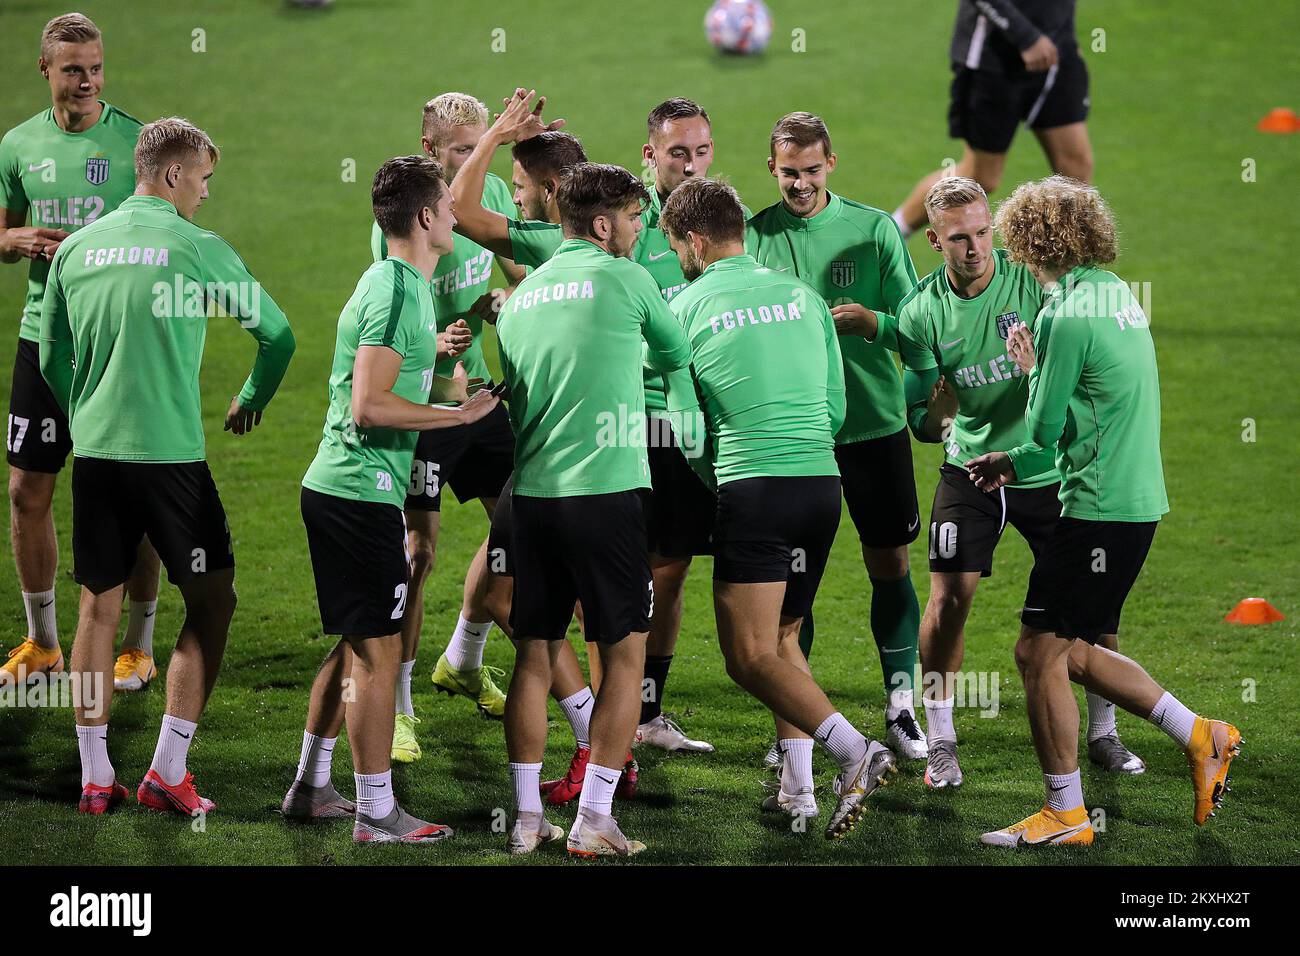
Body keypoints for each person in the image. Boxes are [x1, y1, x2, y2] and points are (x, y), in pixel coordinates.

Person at [967, 177, 1240, 846]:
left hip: (1097, 509)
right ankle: (1202, 735)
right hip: (1135, 502)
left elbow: (1041, 431)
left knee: (1037, 653)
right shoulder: (1115, 296)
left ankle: (1066, 813)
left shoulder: (1065, 315)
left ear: (1030, 240)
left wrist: (1027, 371)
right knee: (1073, 651)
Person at [40, 116, 296, 815]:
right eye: (204, 179)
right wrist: (250, 398)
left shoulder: (76, 250)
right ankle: (167, 769)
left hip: (95, 456)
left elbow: (47, 356)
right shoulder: (193, 245)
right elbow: (277, 335)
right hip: (172, 462)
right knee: (213, 600)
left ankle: (95, 776)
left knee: (96, 609)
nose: (206, 194)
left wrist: (83, 413)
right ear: (175, 174)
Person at [662, 177, 896, 837]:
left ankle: (856, 751)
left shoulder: (684, 308)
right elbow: (836, 407)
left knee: (748, 657)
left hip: (753, 488)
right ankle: (797, 791)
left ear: (695, 240)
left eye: (677, 243)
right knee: (786, 638)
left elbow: (686, 431)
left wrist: (723, 482)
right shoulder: (804, 298)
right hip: (822, 486)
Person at [897, 176, 1145, 788]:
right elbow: (921, 424)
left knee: (1092, 603)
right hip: (972, 470)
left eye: (983, 232)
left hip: (1044, 469)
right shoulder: (920, 313)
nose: (976, 248)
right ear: (935, 240)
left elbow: (1070, 370)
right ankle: (942, 738)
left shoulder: (1031, 279)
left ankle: (1104, 733)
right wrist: (937, 410)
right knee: (949, 597)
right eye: (960, 238)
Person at [289, 155, 500, 843]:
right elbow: (370, 406)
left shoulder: (401, 286)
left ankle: (310, 786)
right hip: (355, 493)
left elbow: (397, 390)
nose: (456, 215)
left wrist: (451, 383)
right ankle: (376, 809)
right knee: (377, 655)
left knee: (356, 647)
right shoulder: (397, 292)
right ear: (424, 218)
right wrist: (457, 419)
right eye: (448, 205)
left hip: (348, 491)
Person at [495, 162, 691, 857]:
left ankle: (523, 820)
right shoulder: (627, 278)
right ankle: (595, 819)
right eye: (635, 217)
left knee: (535, 653)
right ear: (603, 225)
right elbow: (675, 349)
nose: (641, 228)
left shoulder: (521, 298)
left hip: (533, 500)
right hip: (605, 496)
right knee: (624, 656)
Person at [747, 112, 927, 764]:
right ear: (772, 168)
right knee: (794, 586)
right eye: (789, 172)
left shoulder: (874, 229)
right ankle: (798, 721)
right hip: (795, 435)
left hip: (874, 425)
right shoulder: (754, 237)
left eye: (812, 170)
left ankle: (902, 706)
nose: (800, 184)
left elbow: (919, 325)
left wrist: (873, 323)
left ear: (832, 163)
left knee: (891, 563)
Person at [0, 11, 162, 693]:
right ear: (45, 70)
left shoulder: (135, 144)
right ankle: (43, 643)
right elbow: (4, 229)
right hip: (44, 339)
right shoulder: (17, 146)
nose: (87, 81)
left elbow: (167, 240)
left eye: (95, 68)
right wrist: (13, 243)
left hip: (113, 346)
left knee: (137, 494)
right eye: (73, 70)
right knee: (25, 491)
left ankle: (139, 644)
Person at [369, 92, 527, 761]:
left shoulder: (489, 190)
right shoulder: (404, 214)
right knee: (418, 554)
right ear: (430, 149)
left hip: (482, 399)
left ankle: (463, 656)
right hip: (426, 410)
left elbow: (523, 276)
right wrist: (434, 340)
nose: (469, 159)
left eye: (478, 144)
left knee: (519, 530)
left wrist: (501, 302)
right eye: (458, 149)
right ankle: (400, 708)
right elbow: (389, 307)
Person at [891, 0, 1093, 239]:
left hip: (1057, 55)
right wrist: (1027, 38)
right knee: (981, 177)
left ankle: (1068, 262)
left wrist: (1066, 36)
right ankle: (891, 232)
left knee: (1076, 166)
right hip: (993, 59)